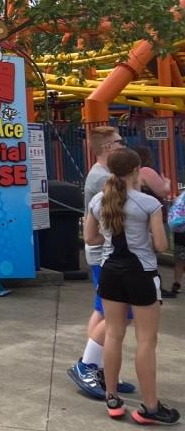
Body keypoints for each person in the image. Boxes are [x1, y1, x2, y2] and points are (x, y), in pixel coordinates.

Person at [85, 147, 179, 425]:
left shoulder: (98, 200)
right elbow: (161, 245)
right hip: (141, 274)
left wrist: (111, 237)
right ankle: (150, 406)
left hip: (110, 272)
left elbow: (90, 239)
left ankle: (112, 399)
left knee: (113, 334)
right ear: (137, 170)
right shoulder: (148, 203)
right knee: (146, 340)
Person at [68, 126, 136, 398]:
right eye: (120, 142)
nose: (124, 145)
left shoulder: (101, 176)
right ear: (109, 147)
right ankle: (88, 365)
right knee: (119, 315)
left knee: (104, 312)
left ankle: (100, 368)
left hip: (104, 255)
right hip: (108, 256)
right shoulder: (104, 179)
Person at [133, 145, 174, 297]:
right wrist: (167, 182)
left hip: (142, 215)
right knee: (156, 249)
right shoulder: (146, 171)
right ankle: (154, 284)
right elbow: (162, 191)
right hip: (155, 216)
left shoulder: (133, 173)